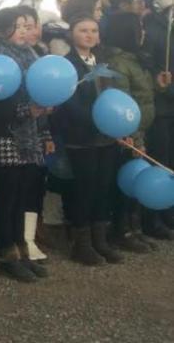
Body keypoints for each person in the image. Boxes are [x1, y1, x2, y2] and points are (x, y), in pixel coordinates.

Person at [0, 7, 49, 283]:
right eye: (18, 26)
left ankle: (22, 248)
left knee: (22, 197)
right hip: (3, 136)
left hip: (29, 138)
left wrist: (43, 109)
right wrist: (24, 110)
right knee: (6, 198)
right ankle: (7, 254)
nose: (24, 31)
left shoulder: (31, 55)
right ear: (3, 28)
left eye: (27, 26)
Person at [51, 15, 122, 266]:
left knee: (103, 187)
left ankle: (99, 240)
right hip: (80, 137)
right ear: (72, 34)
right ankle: (81, 244)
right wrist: (98, 121)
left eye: (94, 30)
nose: (89, 35)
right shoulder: (67, 65)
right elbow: (69, 103)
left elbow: (113, 97)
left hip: (106, 137)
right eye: (83, 30)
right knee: (84, 189)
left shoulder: (103, 63)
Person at [104, 12, 157, 254]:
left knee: (135, 179)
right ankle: (121, 230)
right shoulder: (118, 63)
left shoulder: (136, 58)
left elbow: (143, 94)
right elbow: (124, 104)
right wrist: (134, 138)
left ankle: (134, 227)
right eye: (139, 27)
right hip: (127, 134)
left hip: (141, 130)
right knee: (124, 184)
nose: (143, 32)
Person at [17, 6, 52, 262]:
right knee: (22, 188)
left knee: (37, 185)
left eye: (34, 25)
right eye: (24, 26)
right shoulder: (9, 59)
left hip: (39, 131)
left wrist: (47, 132)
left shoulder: (41, 55)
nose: (31, 31)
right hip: (18, 134)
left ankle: (30, 236)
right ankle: (20, 239)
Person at [142, 0, 174, 239]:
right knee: (161, 161)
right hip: (162, 108)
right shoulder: (153, 29)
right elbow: (150, 66)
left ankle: (169, 211)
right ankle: (154, 216)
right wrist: (162, 83)